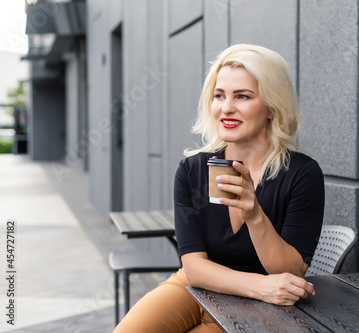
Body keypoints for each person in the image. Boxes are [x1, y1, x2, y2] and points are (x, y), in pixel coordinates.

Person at [114, 44, 325, 333]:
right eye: (219, 95)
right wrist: (259, 285)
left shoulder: (302, 174)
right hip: (199, 288)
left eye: (243, 96)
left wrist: (255, 216)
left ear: (272, 107)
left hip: (259, 308)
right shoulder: (192, 170)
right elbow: (194, 267)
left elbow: (290, 272)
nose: (226, 108)